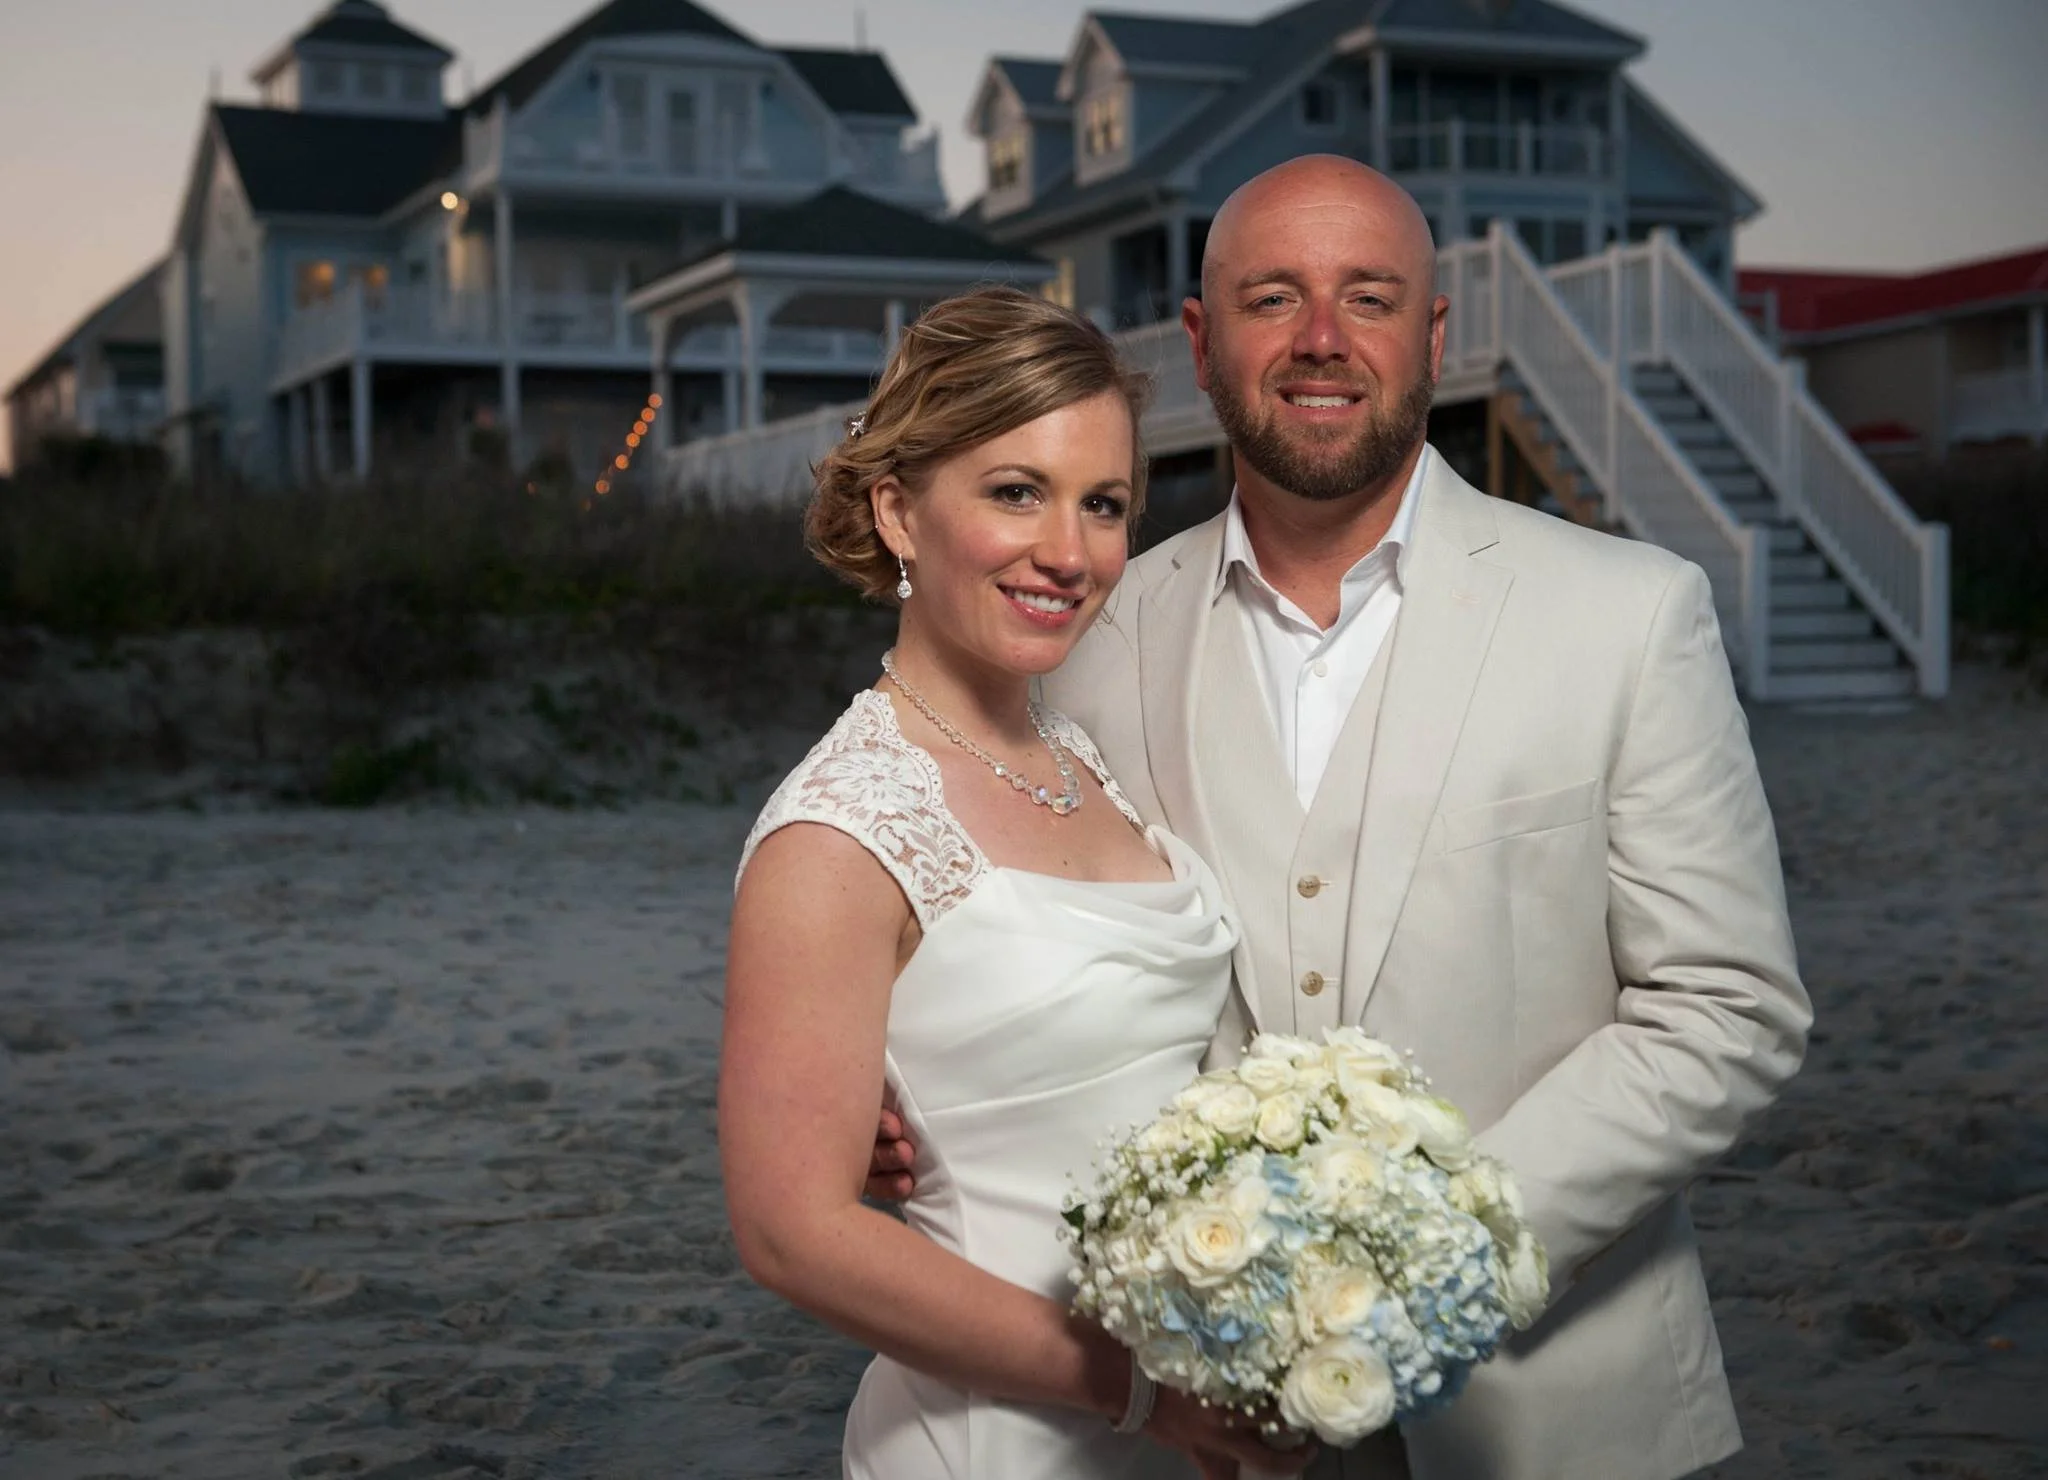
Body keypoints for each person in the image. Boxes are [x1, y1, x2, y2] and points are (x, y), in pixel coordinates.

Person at [870, 156, 1813, 1480]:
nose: (1321, 339)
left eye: (1368, 297)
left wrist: (1424, 1253)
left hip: (1559, 1418)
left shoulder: (1630, 615)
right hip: (1195, 1421)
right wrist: (904, 1100)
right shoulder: (1084, 637)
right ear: (1203, 344)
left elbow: (1730, 1007)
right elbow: (1002, 944)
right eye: (1272, 297)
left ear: (1434, 336)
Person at [720, 286, 1311, 1480]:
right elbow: (793, 1231)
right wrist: (1139, 1390)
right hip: (1000, 1438)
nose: (1069, 551)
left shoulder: (1080, 757)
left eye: (1103, 505)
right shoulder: (837, 831)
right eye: (1013, 492)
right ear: (897, 510)